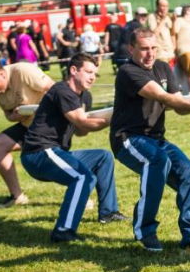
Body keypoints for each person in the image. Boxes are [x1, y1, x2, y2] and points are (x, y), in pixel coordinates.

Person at [110, 28, 190, 252]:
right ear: (131, 49)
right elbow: (161, 95)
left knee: (188, 171)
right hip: (128, 139)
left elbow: (176, 104)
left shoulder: (163, 67)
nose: (150, 54)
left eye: (153, 48)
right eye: (144, 49)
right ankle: (145, 230)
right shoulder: (127, 71)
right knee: (157, 162)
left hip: (156, 138)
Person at [20, 53, 129, 242]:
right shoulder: (61, 90)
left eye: (95, 73)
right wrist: (117, 117)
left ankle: (108, 212)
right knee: (82, 178)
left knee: (103, 157)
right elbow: (83, 122)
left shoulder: (85, 96)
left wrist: (95, 120)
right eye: (88, 72)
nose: (93, 77)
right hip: (38, 153)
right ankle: (63, 231)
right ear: (73, 70)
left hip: (57, 152)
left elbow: (80, 131)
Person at [0, 60, 55, 207]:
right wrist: (15, 116)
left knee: (45, 159)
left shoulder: (22, 71)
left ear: (1, 73)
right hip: (28, 125)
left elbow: (56, 89)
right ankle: (17, 196)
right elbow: (8, 114)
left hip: (50, 124)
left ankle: (82, 193)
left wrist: (44, 111)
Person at [147, 0, 176, 66]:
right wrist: (162, 20)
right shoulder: (152, 17)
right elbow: (154, 34)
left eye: (167, 6)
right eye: (163, 6)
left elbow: (172, 34)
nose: (165, 8)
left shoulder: (168, 18)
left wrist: (173, 22)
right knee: (163, 75)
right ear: (157, 6)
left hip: (170, 53)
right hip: (160, 54)